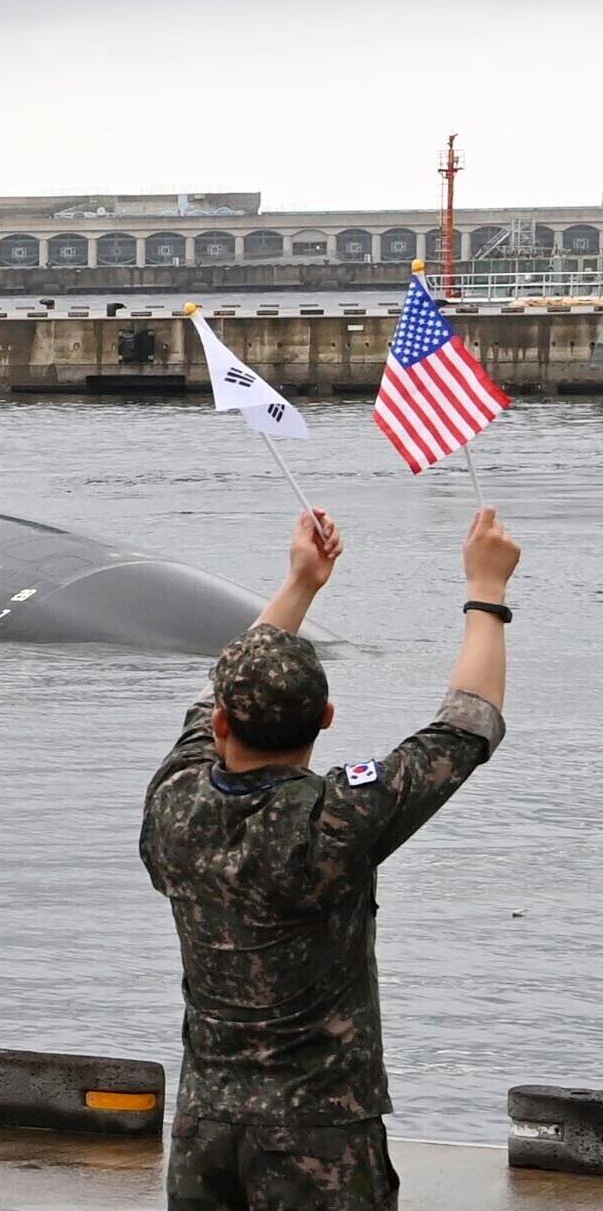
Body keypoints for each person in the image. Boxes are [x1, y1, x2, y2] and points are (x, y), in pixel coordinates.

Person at [144, 507, 518, 1211]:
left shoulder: (174, 801)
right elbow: (468, 723)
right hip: (320, 1135)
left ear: (221, 724)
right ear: (326, 718)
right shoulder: (338, 818)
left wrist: (299, 585)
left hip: (206, 1129)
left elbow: (211, 695)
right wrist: (487, 589)